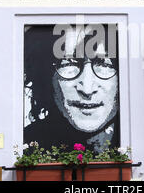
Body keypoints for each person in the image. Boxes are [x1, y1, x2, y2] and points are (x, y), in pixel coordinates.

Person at [23, 24, 120, 154]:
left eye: (104, 63)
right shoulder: (25, 143)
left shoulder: (133, 137)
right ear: (46, 74)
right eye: (69, 63)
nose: (87, 89)